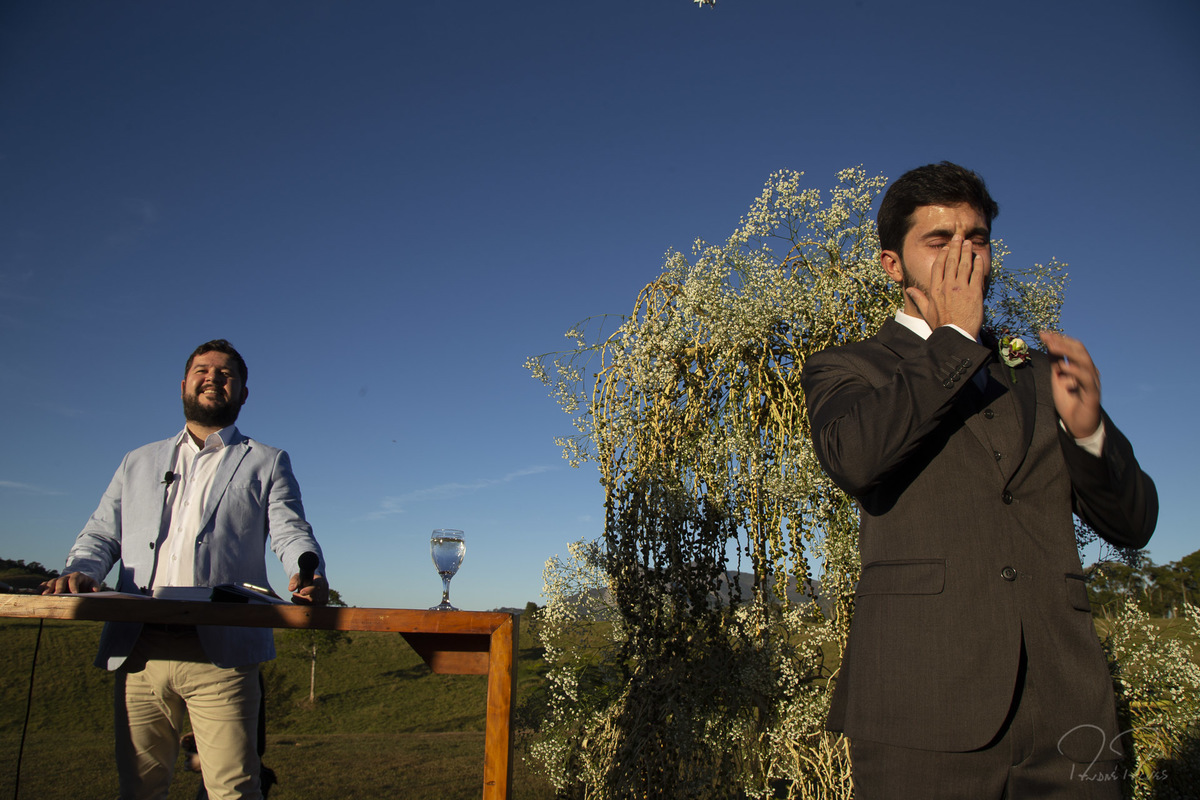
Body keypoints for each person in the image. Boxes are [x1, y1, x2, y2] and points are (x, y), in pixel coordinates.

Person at [800, 162, 1157, 798]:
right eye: (938, 240)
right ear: (892, 264)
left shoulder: (1039, 374)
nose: (962, 255)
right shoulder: (848, 368)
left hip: (1069, 711)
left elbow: (1134, 525)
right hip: (921, 704)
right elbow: (854, 458)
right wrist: (955, 339)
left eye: (976, 239)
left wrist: (1089, 434)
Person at [42, 339, 329, 800]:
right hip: (139, 650)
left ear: (243, 393)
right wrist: (81, 570)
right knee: (139, 790)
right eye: (202, 370)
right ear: (183, 386)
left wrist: (307, 570)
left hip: (223, 651)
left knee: (233, 791)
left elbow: (291, 530)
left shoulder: (267, 460)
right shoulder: (137, 461)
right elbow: (101, 534)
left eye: (226, 373)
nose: (213, 378)